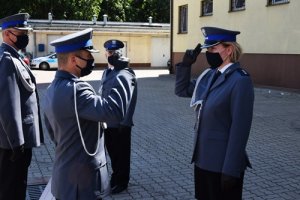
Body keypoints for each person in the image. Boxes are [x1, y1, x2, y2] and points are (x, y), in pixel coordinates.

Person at [43, 28, 136, 200]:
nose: (92, 60)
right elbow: (114, 112)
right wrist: (123, 72)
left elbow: (52, 133)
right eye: (88, 56)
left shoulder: (51, 89)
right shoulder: (77, 89)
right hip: (82, 184)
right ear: (73, 60)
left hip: (65, 178)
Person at [175, 26, 254, 200]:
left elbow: (240, 129)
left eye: (213, 48)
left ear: (229, 50)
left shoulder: (240, 81)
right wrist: (186, 65)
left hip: (223, 164)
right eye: (207, 49)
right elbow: (181, 90)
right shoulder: (209, 75)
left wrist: (231, 169)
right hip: (203, 160)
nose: (208, 53)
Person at [0, 13, 44, 200]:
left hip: (18, 142)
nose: (25, 36)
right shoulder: (7, 61)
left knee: (16, 185)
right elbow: (7, 106)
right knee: (11, 190)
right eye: (21, 32)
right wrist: (16, 144)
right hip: (14, 145)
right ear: (7, 34)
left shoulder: (13, 58)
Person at [98, 39, 137, 194]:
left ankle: (122, 181)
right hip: (108, 122)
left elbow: (130, 100)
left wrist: (125, 122)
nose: (111, 55)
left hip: (120, 123)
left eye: (115, 52)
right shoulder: (107, 72)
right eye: (109, 52)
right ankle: (115, 176)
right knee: (113, 152)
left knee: (122, 154)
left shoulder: (126, 73)